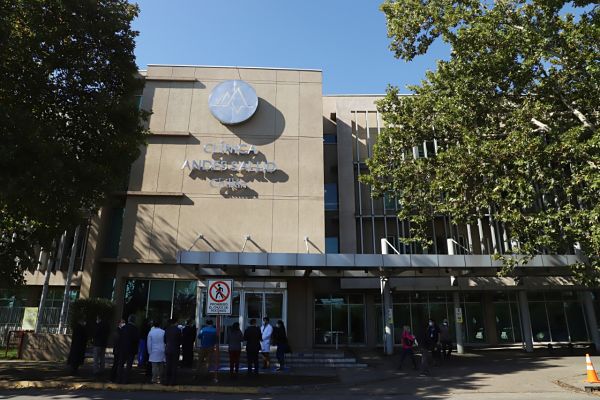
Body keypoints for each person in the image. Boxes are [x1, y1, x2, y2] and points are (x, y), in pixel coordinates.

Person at [116, 315, 139, 384]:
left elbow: (119, 338)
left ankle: (119, 379)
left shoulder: (123, 328)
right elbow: (136, 339)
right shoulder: (135, 329)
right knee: (128, 366)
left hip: (123, 349)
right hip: (131, 350)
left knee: (120, 365)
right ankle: (126, 380)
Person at [147, 320, 166, 384]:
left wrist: (149, 351)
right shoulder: (163, 332)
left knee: (154, 366)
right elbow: (165, 342)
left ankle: (154, 378)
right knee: (161, 366)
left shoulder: (151, 332)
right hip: (162, 350)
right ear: (160, 325)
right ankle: (160, 378)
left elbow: (149, 343)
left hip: (153, 351)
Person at [164, 318, 181, 386]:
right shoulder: (178, 330)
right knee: (174, 365)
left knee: (168, 365)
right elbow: (180, 340)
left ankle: (167, 380)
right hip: (175, 349)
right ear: (175, 323)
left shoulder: (167, 330)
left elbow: (164, 340)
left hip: (168, 348)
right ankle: (173, 381)